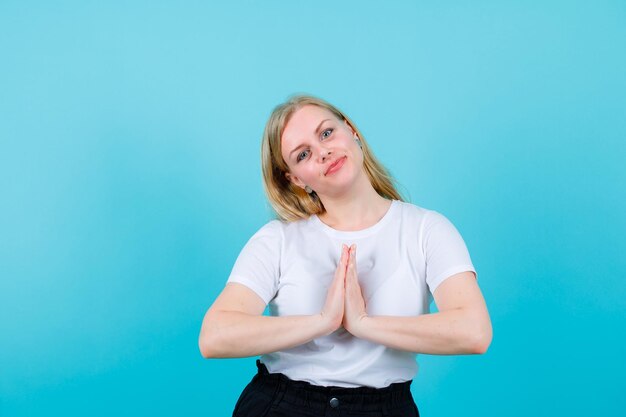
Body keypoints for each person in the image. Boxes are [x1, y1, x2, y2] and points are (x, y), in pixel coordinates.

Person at [198, 95, 492, 417]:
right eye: (304, 154)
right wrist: (323, 322)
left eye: (326, 133)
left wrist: (363, 324)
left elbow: (474, 331)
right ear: (295, 179)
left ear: (351, 131)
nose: (323, 152)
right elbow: (214, 337)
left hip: (383, 408)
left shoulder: (426, 230)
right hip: (282, 405)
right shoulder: (277, 240)